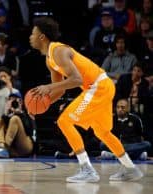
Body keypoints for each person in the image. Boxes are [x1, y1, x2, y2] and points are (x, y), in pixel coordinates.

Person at [29, 17, 143, 182]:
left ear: (42, 37)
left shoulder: (58, 51)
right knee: (102, 131)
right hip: (103, 86)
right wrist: (42, 106)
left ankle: (87, 170)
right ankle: (130, 168)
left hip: (98, 87)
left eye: (33, 33)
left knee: (64, 121)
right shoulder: (49, 59)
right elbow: (60, 89)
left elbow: (77, 80)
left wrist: (47, 88)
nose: (30, 37)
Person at [0, 92, 34, 158]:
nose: (13, 102)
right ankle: (2, 147)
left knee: (15, 119)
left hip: (25, 146)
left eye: (15, 100)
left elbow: (30, 131)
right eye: (10, 99)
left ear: (21, 102)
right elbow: (3, 129)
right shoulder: (8, 114)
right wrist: (7, 113)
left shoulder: (27, 113)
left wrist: (20, 113)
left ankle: (5, 148)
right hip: (13, 149)